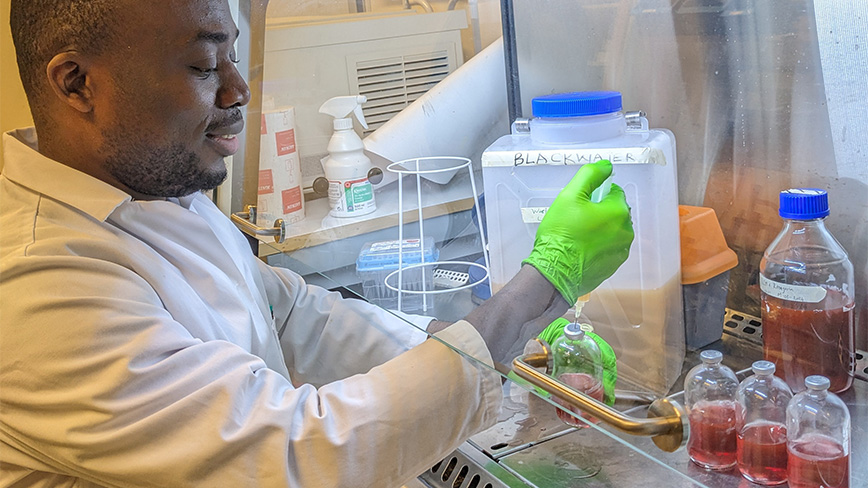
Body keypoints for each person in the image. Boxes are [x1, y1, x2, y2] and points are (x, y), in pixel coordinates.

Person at [0, 0, 634, 486]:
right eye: (200, 65)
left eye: (230, 56)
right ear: (76, 83)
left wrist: (505, 342)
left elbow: (298, 316)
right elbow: (299, 453)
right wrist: (542, 284)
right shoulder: (37, 286)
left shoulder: (151, 191)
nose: (236, 90)